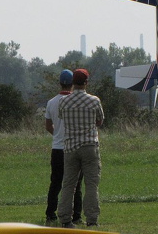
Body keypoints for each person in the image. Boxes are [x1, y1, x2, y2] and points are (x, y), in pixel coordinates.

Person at [57, 69, 104, 228]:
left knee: (69, 184)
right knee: (91, 184)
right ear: (86, 82)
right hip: (90, 145)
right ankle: (92, 219)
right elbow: (100, 121)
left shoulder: (63, 101)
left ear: (72, 83)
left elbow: (62, 118)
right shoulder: (94, 100)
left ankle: (65, 219)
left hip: (70, 147)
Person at [44, 69, 83, 226]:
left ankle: (50, 214)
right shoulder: (76, 101)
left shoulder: (51, 102)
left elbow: (48, 126)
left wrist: (57, 134)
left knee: (56, 182)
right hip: (73, 147)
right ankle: (76, 216)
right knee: (76, 184)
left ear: (60, 83)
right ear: (73, 84)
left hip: (57, 148)